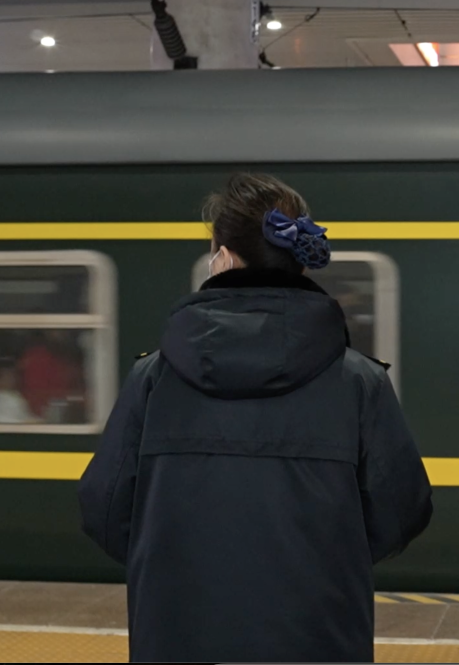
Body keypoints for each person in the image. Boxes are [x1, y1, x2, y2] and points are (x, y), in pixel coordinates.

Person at [78, 173, 433, 663]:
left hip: (177, 634)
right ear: (300, 261)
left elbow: (104, 508)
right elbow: (402, 511)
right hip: (319, 638)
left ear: (221, 258)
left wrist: (173, 563)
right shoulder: (359, 382)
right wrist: (327, 560)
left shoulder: (152, 379)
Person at [0, 358, 34, 423]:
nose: (14, 379)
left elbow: (26, 417)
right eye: (9, 376)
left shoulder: (16, 396)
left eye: (15, 375)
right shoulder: (7, 399)